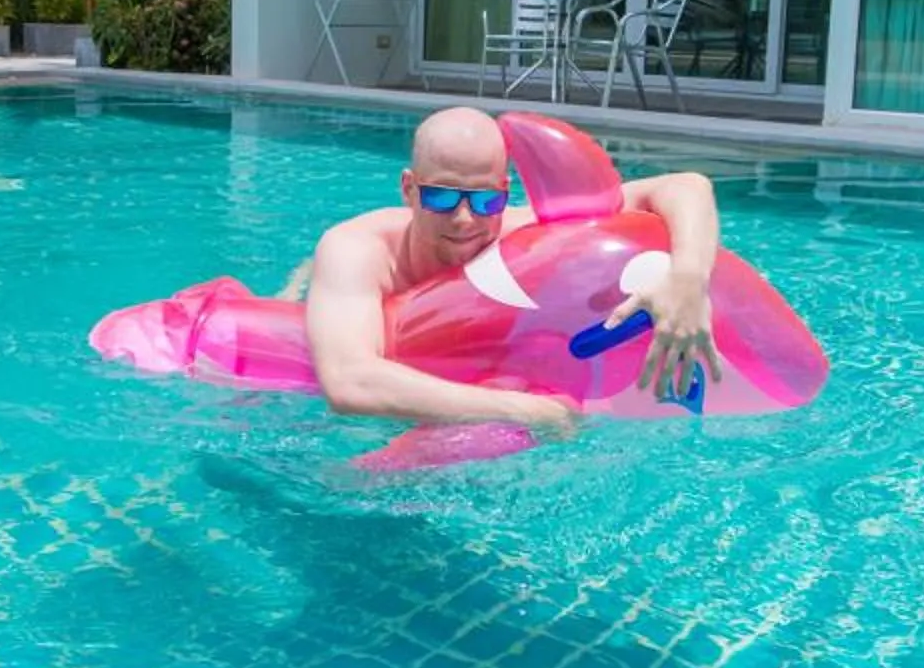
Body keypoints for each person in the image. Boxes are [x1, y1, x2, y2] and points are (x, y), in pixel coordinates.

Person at [297, 107, 725, 434]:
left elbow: (686, 184)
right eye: (443, 198)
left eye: (484, 201)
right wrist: (527, 411)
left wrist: (688, 279)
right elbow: (349, 382)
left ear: (504, 193)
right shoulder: (357, 249)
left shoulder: (520, 233)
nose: (465, 220)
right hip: (343, 301)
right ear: (409, 188)